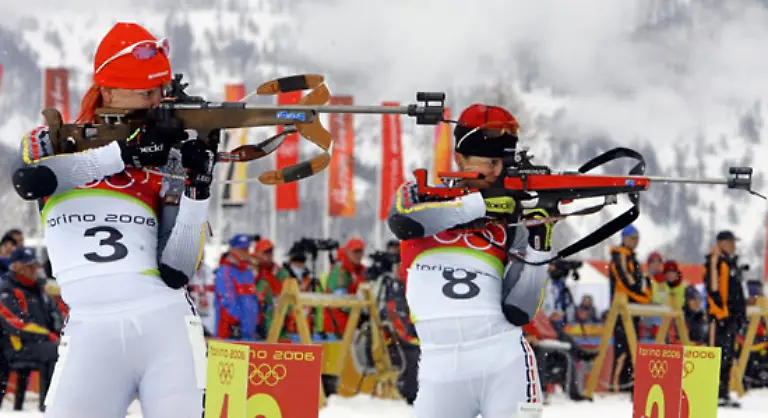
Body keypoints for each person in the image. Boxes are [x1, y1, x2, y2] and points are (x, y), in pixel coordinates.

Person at [10, 22, 213, 417]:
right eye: (146, 92)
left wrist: (197, 190)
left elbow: (177, 270)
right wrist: (125, 154)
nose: (157, 101)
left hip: (165, 329)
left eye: (162, 90)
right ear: (108, 89)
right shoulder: (53, 140)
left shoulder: (167, 157)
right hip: (89, 333)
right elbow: (29, 180)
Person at [387, 104, 554, 417]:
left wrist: (538, 244)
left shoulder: (510, 220)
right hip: (440, 369)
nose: (497, 171)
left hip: (505, 362)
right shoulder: (420, 194)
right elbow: (403, 222)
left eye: (502, 163)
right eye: (489, 162)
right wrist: (479, 206)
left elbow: (520, 309)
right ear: (459, 159)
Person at [0, 247, 61, 411]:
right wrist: (48, 335)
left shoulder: (39, 290)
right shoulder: (6, 290)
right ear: (16, 267)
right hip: (15, 346)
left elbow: (54, 316)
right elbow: (14, 323)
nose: (35, 269)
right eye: (29, 266)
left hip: (40, 343)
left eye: (35, 265)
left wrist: (60, 333)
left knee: (68, 350)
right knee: (55, 351)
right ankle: (48, 408)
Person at [705, 230, 746, 408]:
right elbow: (713, 290)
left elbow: (735, 291)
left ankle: (723, 392)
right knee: (717, 355)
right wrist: (721, 314)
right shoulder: (715, 261)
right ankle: (713, 392)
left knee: (728, 357)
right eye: (730, 242)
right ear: (721, 243)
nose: (734, 246)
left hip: (731, 318)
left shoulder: (730, 263)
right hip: (720, 318)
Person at [607, 224, 650, 393]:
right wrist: (641, 295)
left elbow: (638, 281)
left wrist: (642, 294)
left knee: (632, 345)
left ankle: (629, 381)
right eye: (632, 238)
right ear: (624, 239)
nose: (635, 242)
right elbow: (625, 280)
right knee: (622, 346)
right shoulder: (620, 256)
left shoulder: (631, 257)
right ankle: (617, 384)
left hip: (632, 306)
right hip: (621, 307)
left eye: (637, 238)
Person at [214, 234, 259, 340]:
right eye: (242, 249)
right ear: (232, 250)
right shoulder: (225, 271)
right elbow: (227, 302)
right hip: (231, 334)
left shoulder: (248, 272)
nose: (245, 252)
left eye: (247, 249)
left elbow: (252, 301)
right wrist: (236, 324)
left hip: (249, 334)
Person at [324, 238, 367, 335]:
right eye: (355, 252)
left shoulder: (360, 270)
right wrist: (360, 310)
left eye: (360, 251)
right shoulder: (340, 271)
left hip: (351, 325)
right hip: (337, 327)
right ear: (347, 252)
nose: (358, 255)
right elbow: (340, 301)